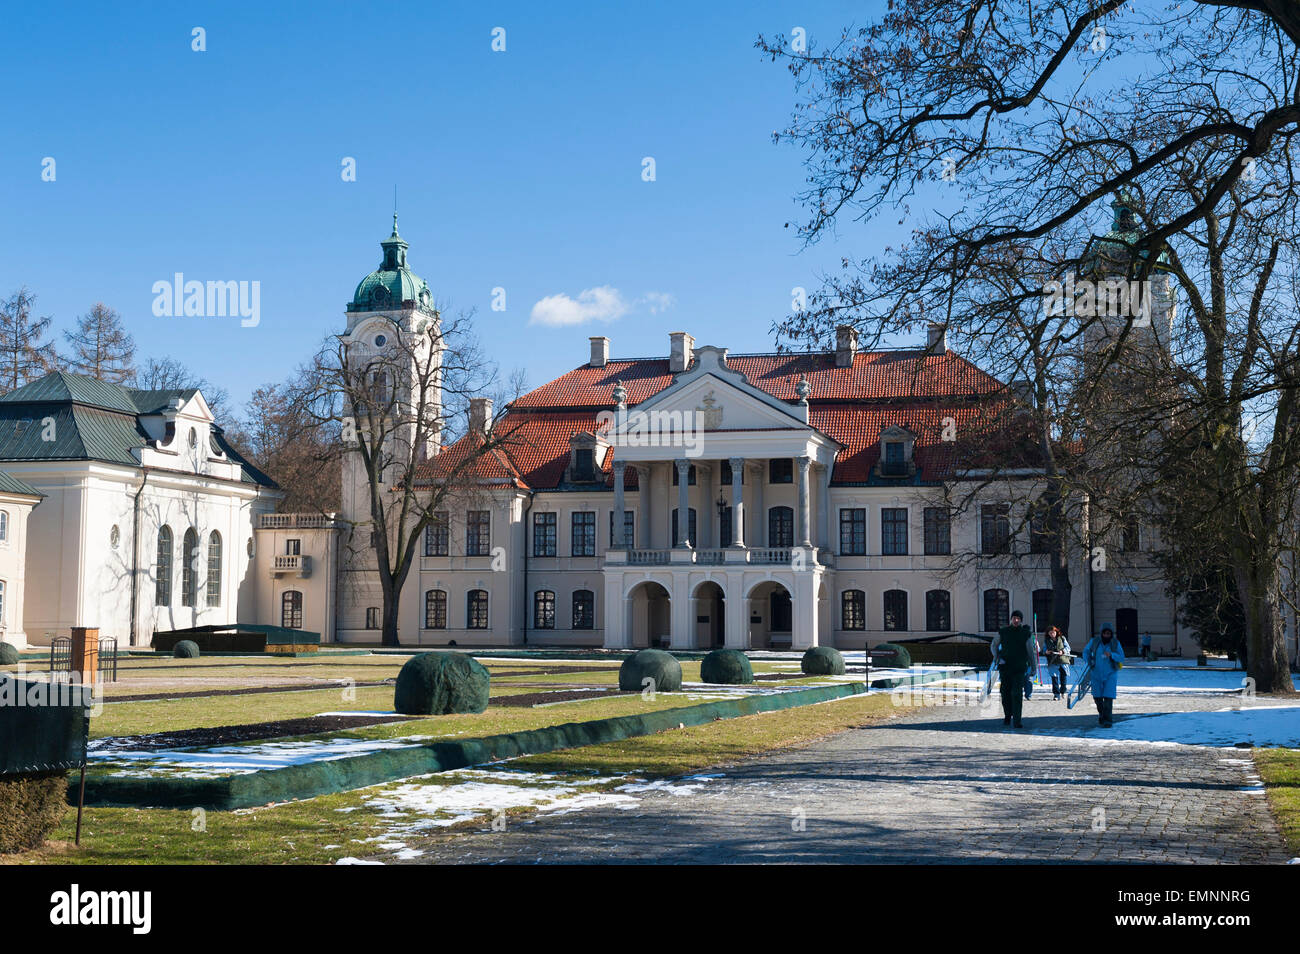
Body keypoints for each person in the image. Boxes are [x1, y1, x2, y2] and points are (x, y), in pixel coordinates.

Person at [990, 610, 1035, 728]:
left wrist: (1033, 667)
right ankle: (1007, 715)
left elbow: (1031, 652)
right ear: (1011, 619)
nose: (1016, 620)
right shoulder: (1004, 631)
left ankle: (1017, 720)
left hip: (1019, 668)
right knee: (1005, 693)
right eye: (1014, 618)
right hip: (1005, 667)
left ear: (1021, 620)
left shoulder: (1025, 633)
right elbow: (994, 644)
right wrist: (997, 658)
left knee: (1016, 693)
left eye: (1018, 619)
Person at [1083, 624, 1125, 727]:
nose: (1107, 635)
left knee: (1108, 697)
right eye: (1105, 633)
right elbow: (1086, 652)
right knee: (1097, 697)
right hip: (1096, 673)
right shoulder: (1094, 641)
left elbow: (1121, 657)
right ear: (1102, 633)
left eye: (1109, 633)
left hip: (1110, 673)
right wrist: (1089, 661)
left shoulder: (1115, 643)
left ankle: (1108, 720)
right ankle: (1101, 714)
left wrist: (1112, 655)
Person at [1044, 625, 1071, 701]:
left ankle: (1063, 691)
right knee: (1054, 678)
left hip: (1062, 660)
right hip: (1053, 661)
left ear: (1056, 632)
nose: (1052, 634)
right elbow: (1044, 649)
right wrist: (1047, 651)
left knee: (1063, 676)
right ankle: (1056, 694)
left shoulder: (1062, 638)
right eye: (1050, 633)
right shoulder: (1046, 640)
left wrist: (1062, 651)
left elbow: (1068, 648)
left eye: (1053, 632)